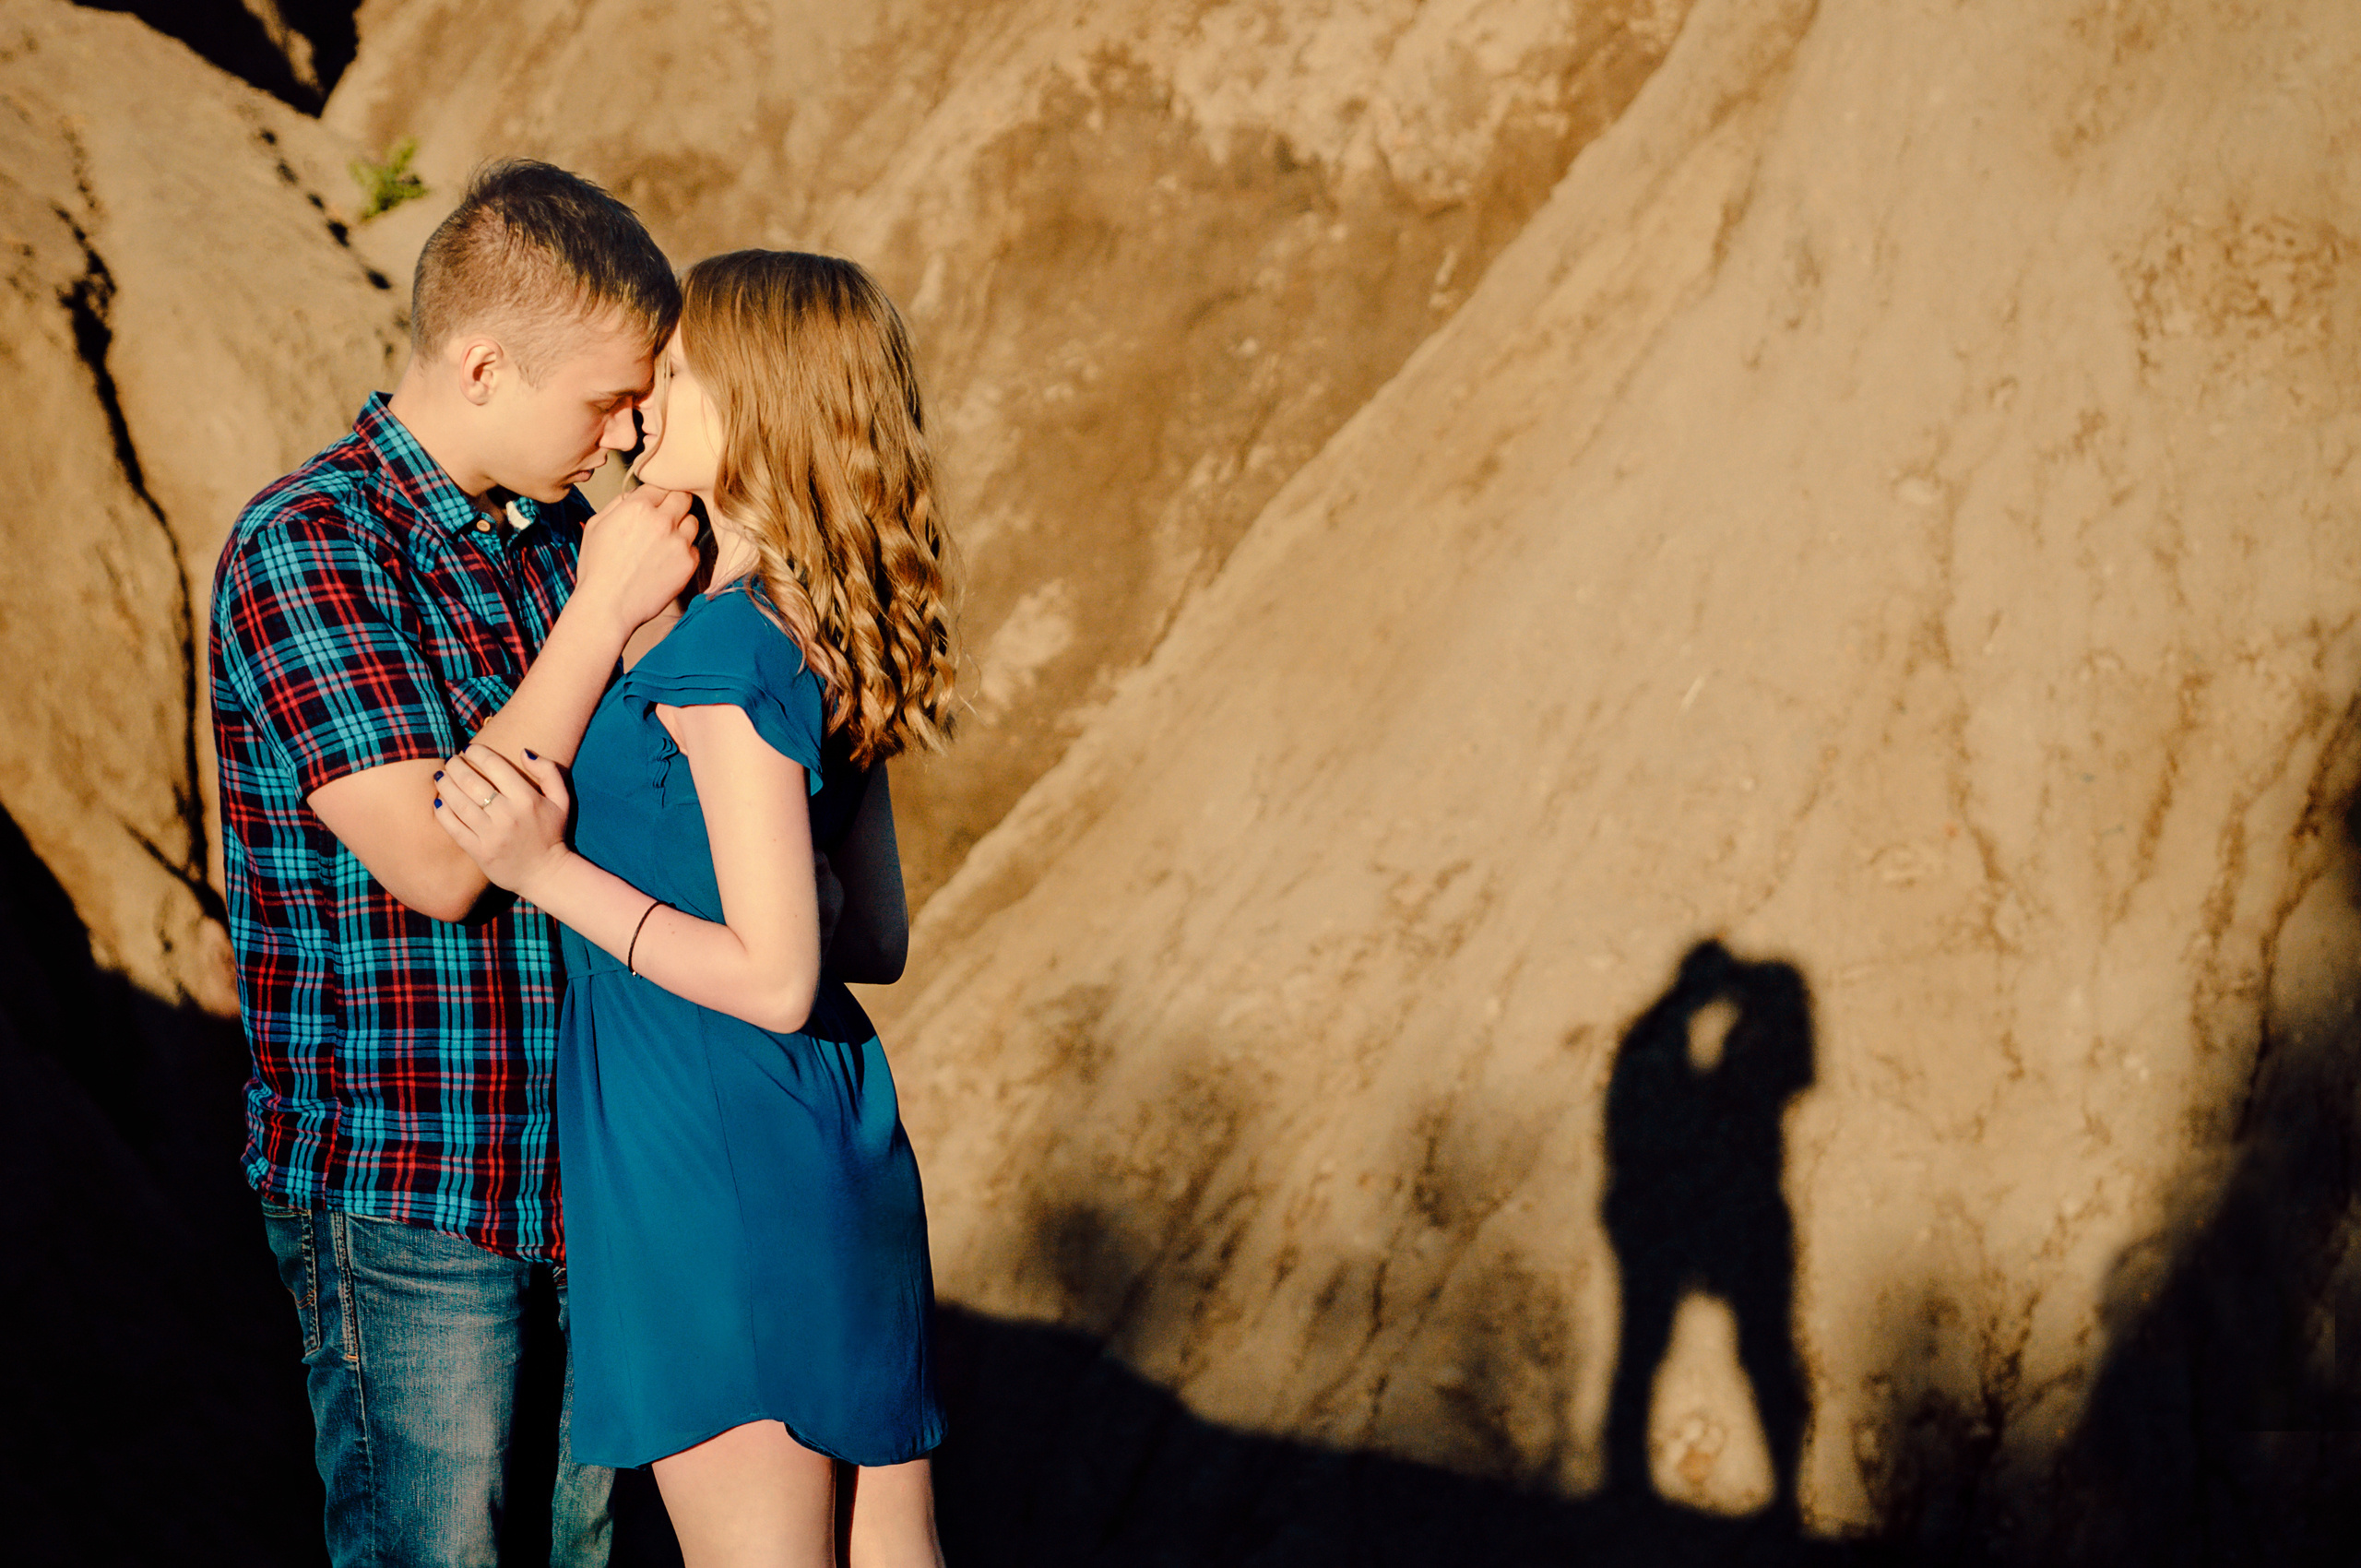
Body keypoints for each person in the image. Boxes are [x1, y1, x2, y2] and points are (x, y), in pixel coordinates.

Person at [433, 250, 957, 1568]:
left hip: (707, 1150)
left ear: (756, 401)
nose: (643, 405)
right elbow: (873, 939)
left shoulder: (720, 652)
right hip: (828, 1129)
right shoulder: (816, 627)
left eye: (673, 373)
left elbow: (778, 976)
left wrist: (547, 873)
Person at [208, 160, 699, 1566]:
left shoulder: (558, 546)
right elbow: (436, 857)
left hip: (591, 1179)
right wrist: (602, 614)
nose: (624, 436)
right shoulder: (307, 546)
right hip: (409, 1184)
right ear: (483, 364)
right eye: (606, 398)